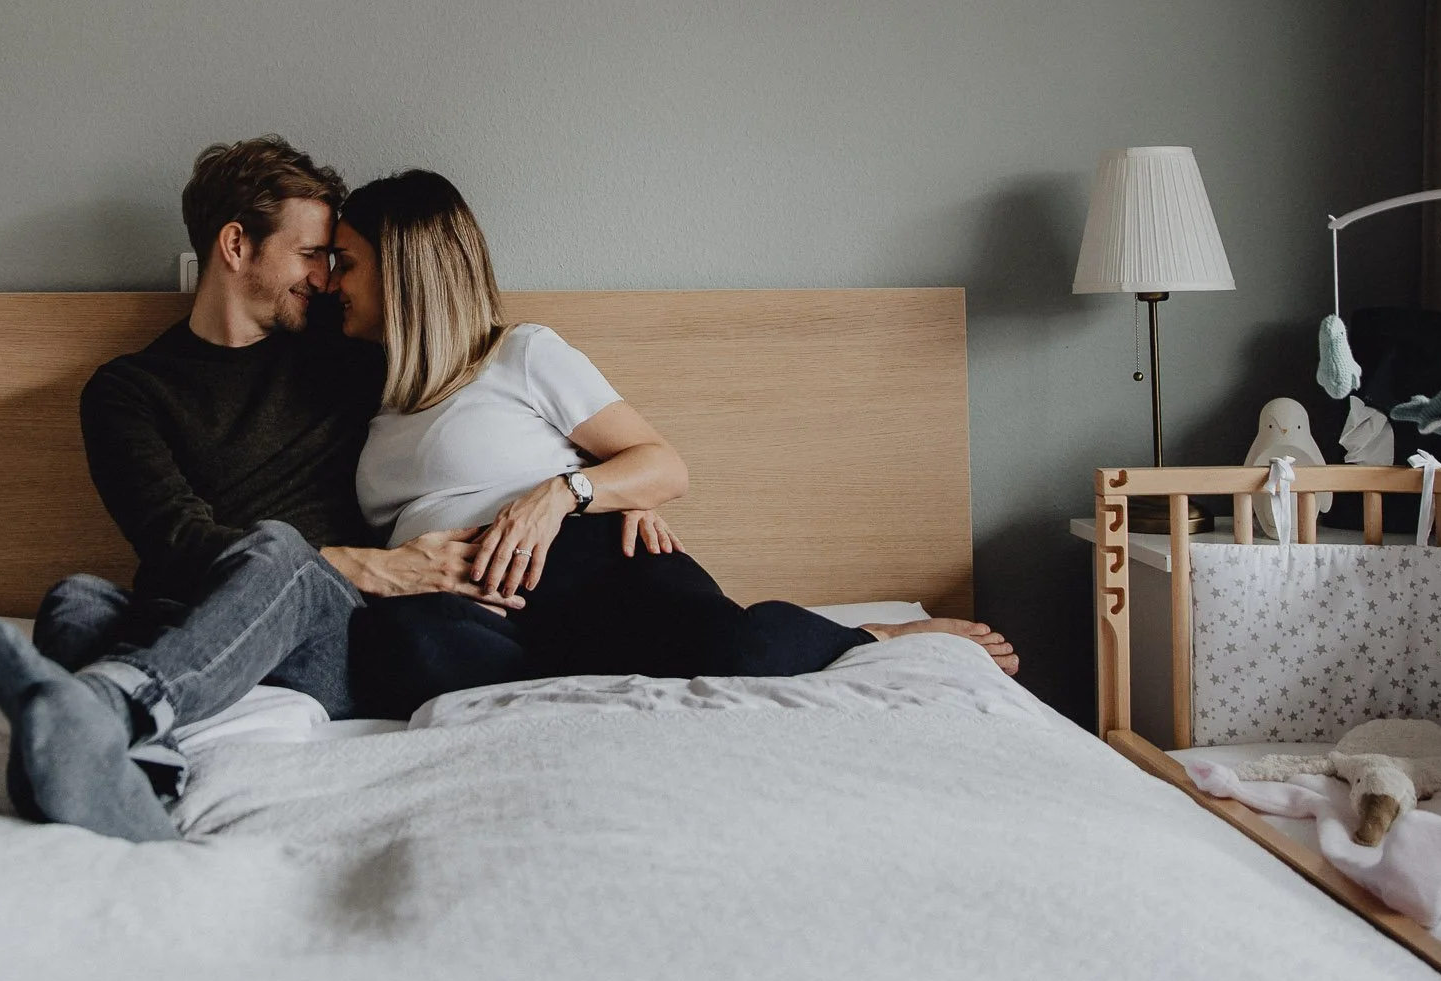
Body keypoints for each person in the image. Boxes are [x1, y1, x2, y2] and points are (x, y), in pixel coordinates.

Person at [0, 138, 519, 841]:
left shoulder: (349, 353)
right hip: (194, 611)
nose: (326, 278)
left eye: (333, 261)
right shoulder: (128, 391)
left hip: (329, 636)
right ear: (235, 245)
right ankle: (133, 777)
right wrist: (368, 562)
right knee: (76, 600)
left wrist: (576, 491)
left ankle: (113, 706)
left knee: (281, 552)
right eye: (310, 255)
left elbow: (489, 387)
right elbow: (175, 541)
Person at [331, 169, 1017, 718]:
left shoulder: (521, 355)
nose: (331, 283)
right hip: (470, 603)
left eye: (347, 263)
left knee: (733, 656)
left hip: (589, 564)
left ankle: (873, 636)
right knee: (403, 650)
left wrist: (559, 495)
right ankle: (574, 679)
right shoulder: (370, 404)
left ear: (403, 273)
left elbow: (663, 465)